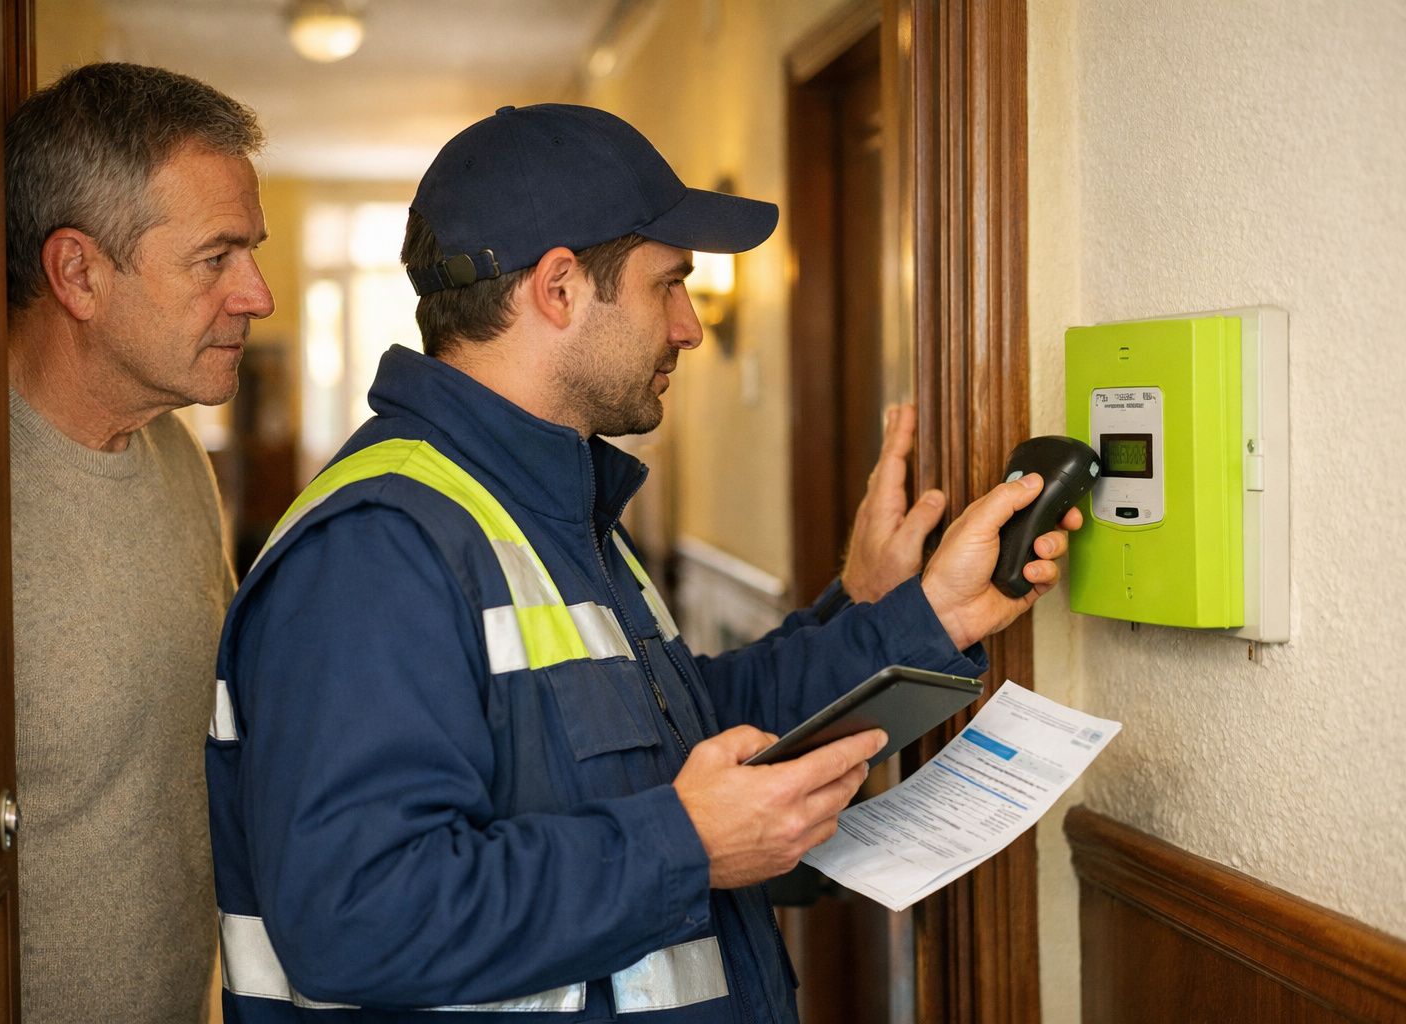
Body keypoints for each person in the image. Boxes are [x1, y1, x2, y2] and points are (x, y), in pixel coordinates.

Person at [206, 104, 1077, 1023]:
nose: (691, 327)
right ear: (559, 288)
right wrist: (687, 845)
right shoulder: (378, 551)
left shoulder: (551, 505)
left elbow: (693, 733)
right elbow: (358, 918)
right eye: (670, 284)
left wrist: (930, 617)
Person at [5, 63, 274, 1023]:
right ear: (79, 273)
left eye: (255, 252)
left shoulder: (176, 454)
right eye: (217, 258)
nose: (258, 295)